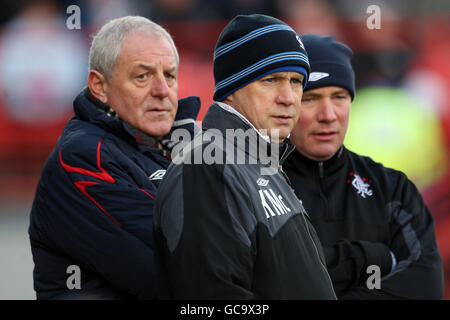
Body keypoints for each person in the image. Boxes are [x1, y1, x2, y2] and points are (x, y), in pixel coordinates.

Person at [153, 14, 337, 299]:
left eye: (297, 81)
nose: (288, 97)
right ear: (230, 89)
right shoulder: (207, 165)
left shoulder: (261, 163)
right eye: (271, 79)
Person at [28, 16, 200, 299]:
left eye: (169, 75)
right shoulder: (82, 158)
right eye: (142, 76)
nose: (162, 90)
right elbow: (181, 266)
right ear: (99, 86)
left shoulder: (185, 145)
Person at [284, 33, 444, 299]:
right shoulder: (254, 183)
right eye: (310, 98)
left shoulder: (393, 189)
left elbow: (425, 285)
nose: (328, 115)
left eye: (339, 97)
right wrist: (369, 258)